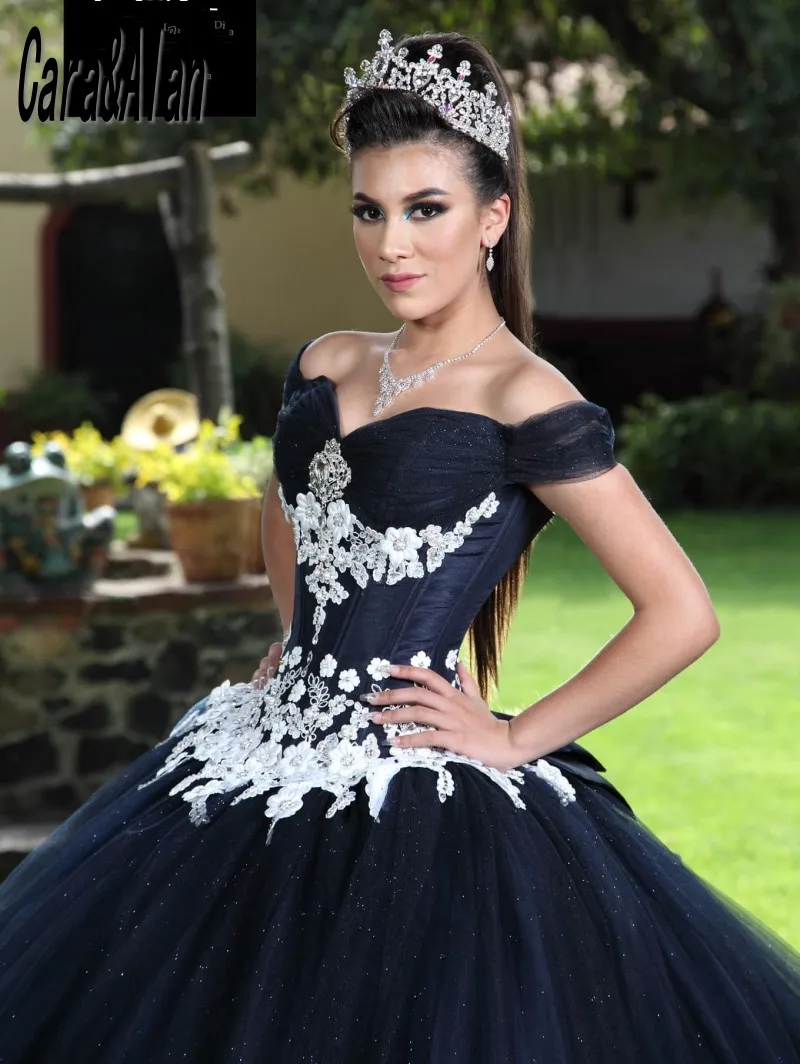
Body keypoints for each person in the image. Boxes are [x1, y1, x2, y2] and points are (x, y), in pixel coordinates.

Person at [0, 27, 798, 1064]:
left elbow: (682, 612)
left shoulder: (525, 397)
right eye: (368, 211)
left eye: (426, 209)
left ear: (491, 218)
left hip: (409, 791)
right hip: (253, 746)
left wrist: (513, 736)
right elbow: (287, 510)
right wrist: (303, 637)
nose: (391, 245)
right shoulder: (327, 361)